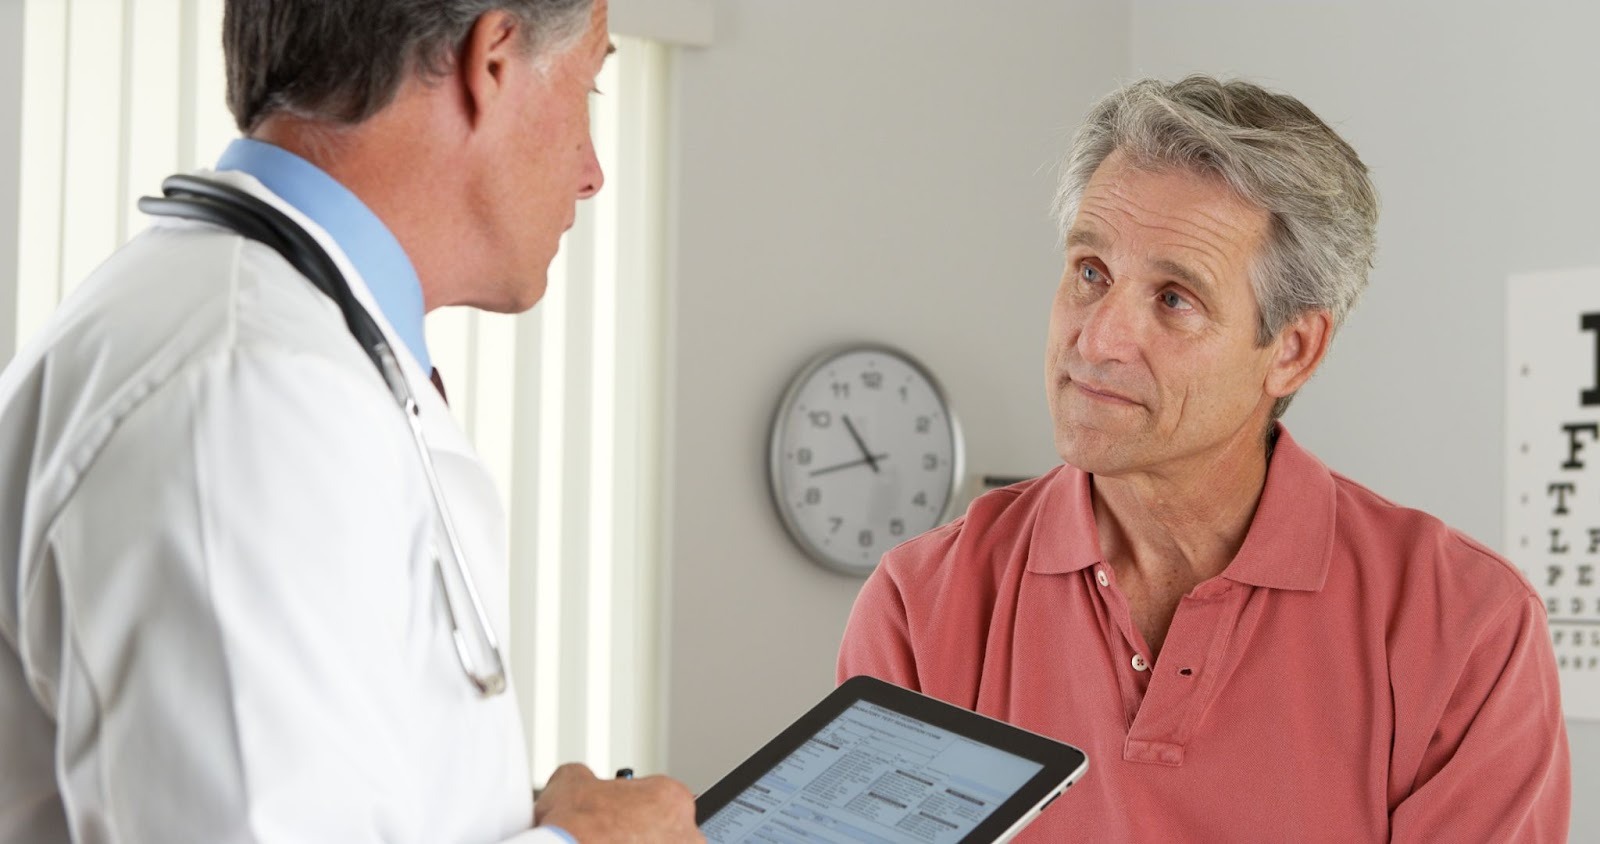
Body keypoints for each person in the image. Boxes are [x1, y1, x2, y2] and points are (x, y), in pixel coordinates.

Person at [0, 0, 700, 840]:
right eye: (587, 87)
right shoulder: (244, 393)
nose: (592, 172)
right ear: (495, 60)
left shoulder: (274, 343)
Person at [838, 76, 1571, 841]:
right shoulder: (921, 607)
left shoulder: (1466, 630)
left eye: (1174, 299)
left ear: (1292, 351)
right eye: (1091, 272)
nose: (1097, 340)